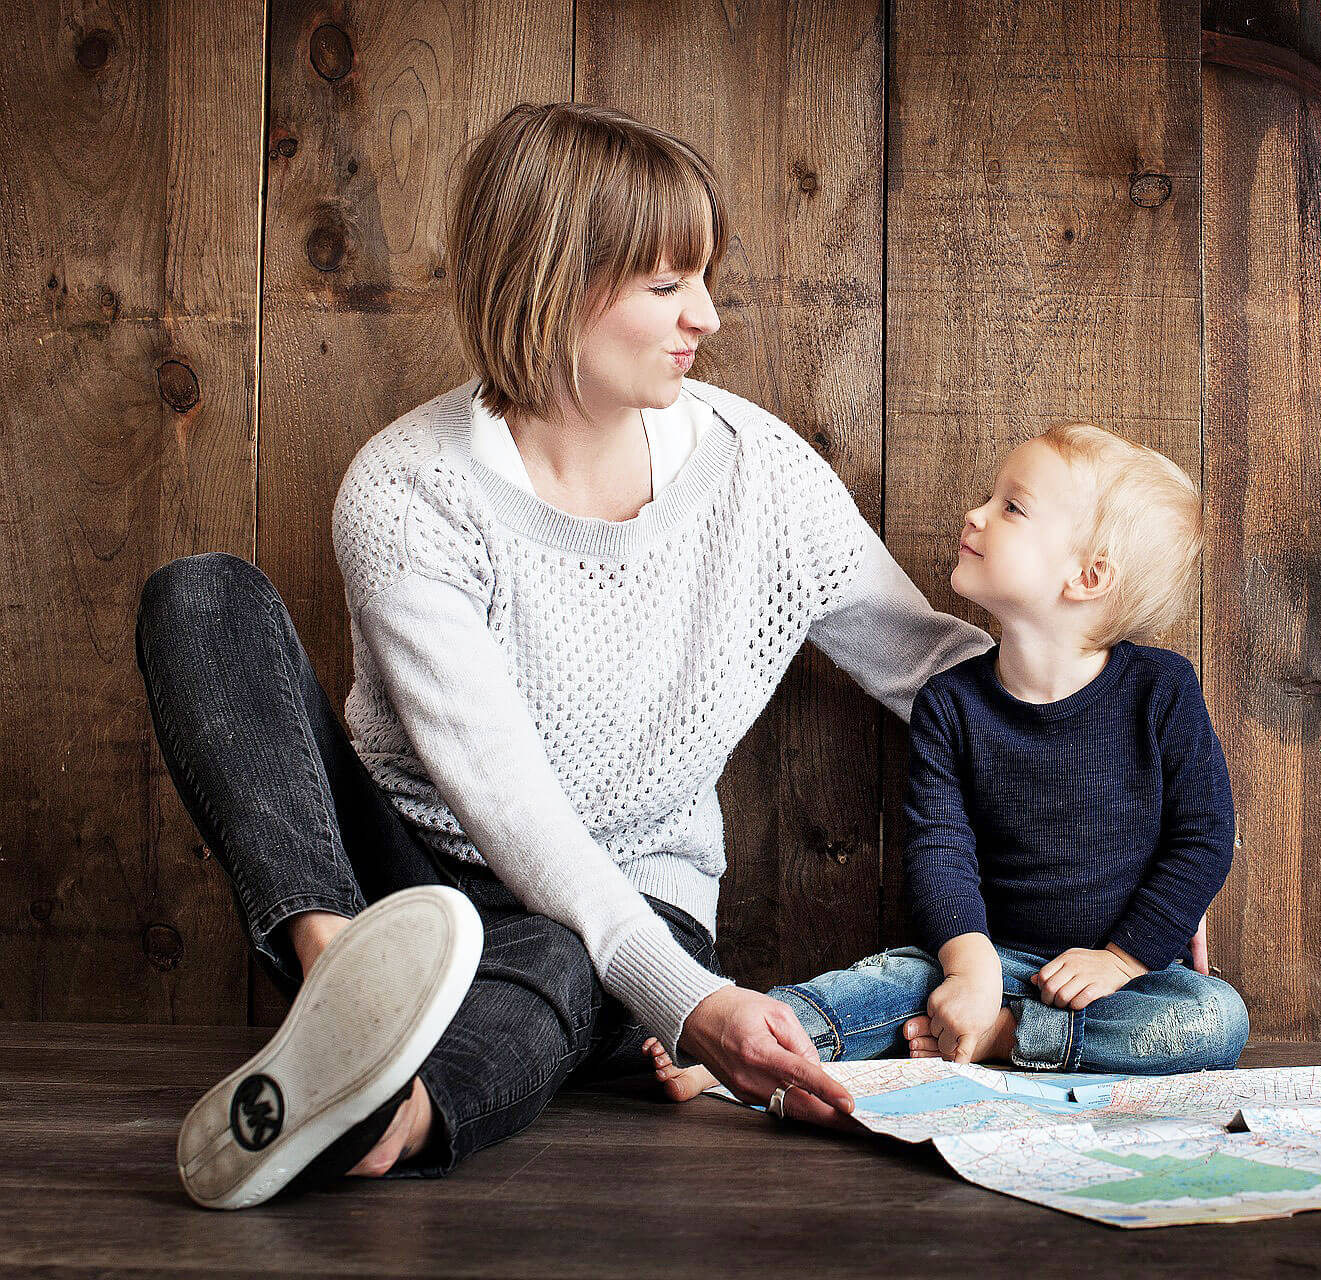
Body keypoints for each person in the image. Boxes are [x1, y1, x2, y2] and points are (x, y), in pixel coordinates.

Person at [134, 100, 995, 1210]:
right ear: (556, 279)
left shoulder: (760, 476)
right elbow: (507, 799)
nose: (709, 316)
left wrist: (1130, 789)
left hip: (626, 903)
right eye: (666, 284)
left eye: (703, 277)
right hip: (398, 878)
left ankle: (385, 1110)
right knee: (201, 594)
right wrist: (692, 1007)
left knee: (556, 953)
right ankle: (342, 981)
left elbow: (931, 667)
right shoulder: (408, 490)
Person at [644, 422, 1247, 1102]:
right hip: (989, 956)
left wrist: (1124, 957)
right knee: (882, 984)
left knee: (1214, 1019)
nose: (977, 513)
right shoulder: (952, 704)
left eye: (1012, 507)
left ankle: (1010, 1039)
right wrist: (969, 966)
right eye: (992, 497)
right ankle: (742, 1048)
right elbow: (940, 848)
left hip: (1117, 983)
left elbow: (1201, 839)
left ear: (1088, 577)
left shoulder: (1161, 691)